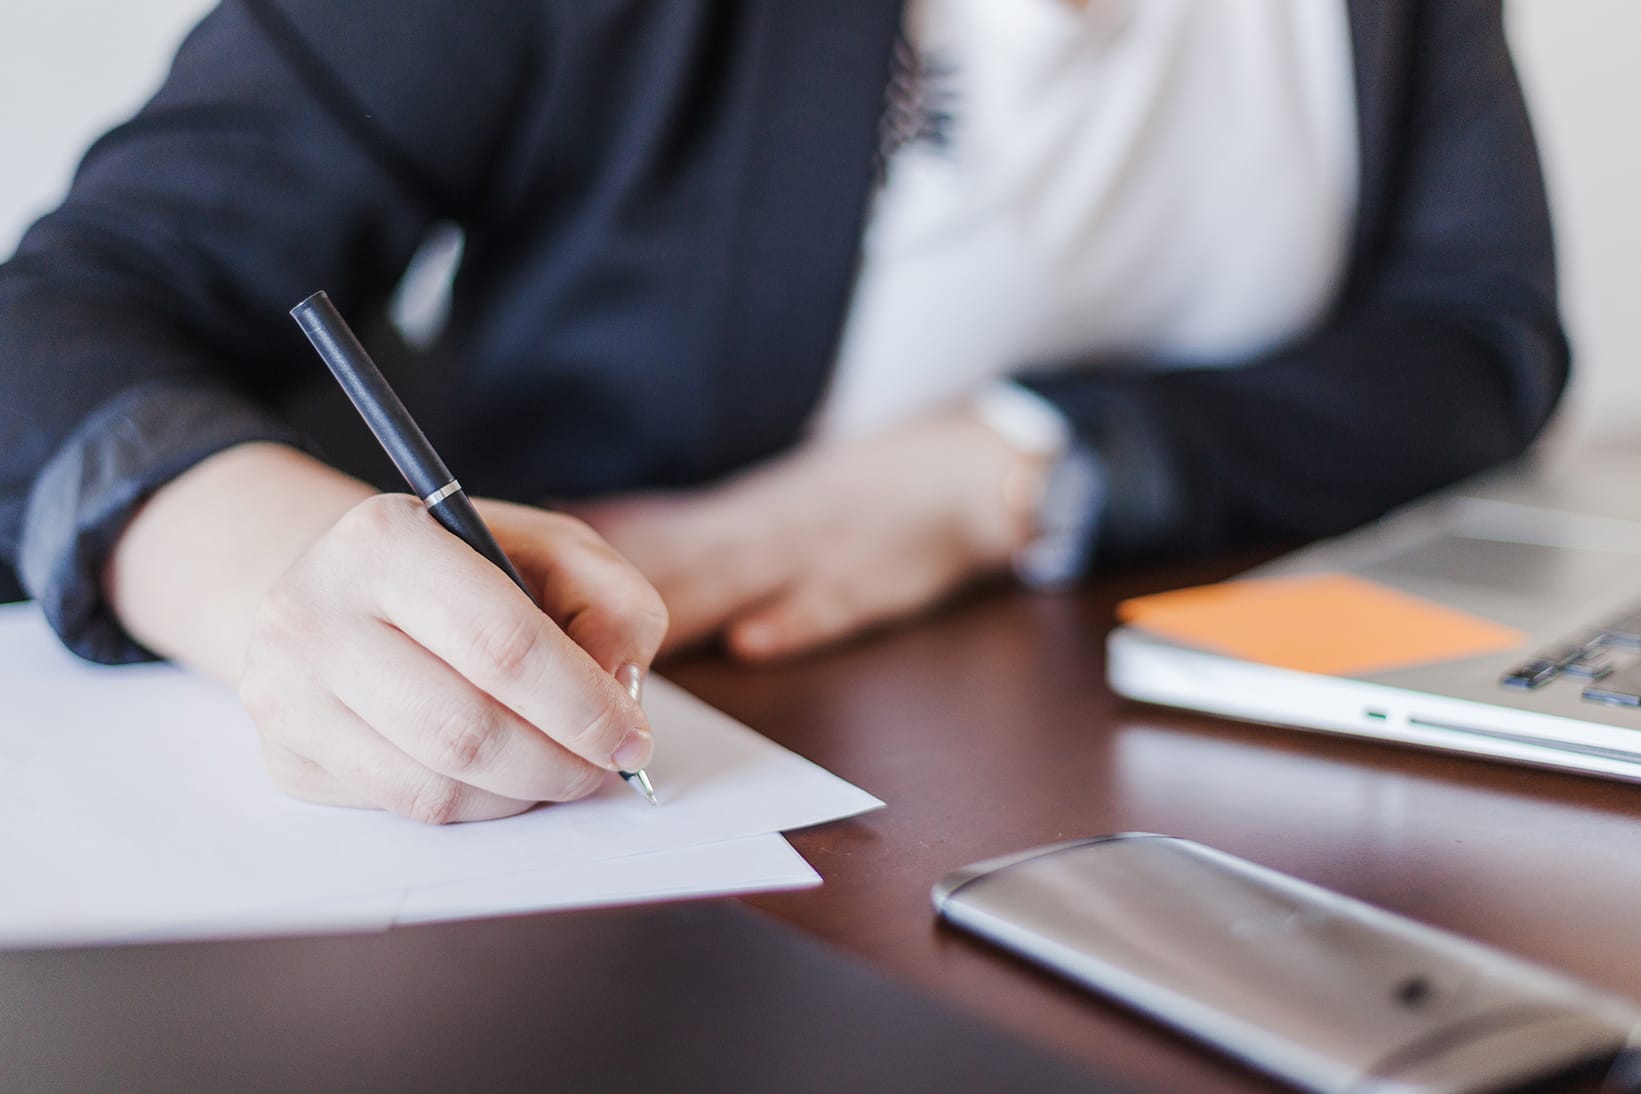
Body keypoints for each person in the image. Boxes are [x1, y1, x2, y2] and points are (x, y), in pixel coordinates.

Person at [0, 0, 1566, 822]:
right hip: (641, 807)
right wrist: (272, 579)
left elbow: (1476, 338)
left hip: (1154, 770)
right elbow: (61, 314)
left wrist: (1005, 468)